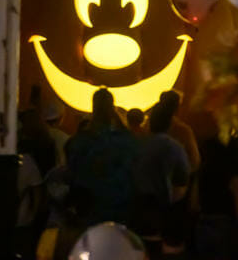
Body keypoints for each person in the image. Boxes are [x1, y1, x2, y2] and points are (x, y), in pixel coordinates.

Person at [64, 88, 141, 225]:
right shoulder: (127, 140)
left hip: (89, 212)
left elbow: (71, 174)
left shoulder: (80, 141)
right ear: (112, 107)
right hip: (121, 210)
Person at [133, 101, 192, 237]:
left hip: (138, 203)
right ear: (169, 124)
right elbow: (183, 176)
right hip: (163, 203)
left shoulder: (139, 144)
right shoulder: (174, 147)